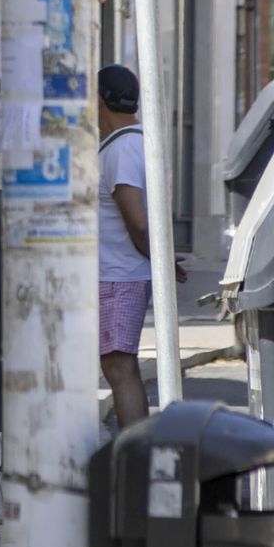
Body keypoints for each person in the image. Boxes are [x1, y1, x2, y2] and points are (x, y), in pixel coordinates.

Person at [97, 64, 183, 429]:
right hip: (118, 273)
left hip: (120, 276)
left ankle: (135, 457)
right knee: (116, 364)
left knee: (120, 366)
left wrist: (163, 263)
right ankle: (133, 455)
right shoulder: (133, 143)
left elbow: (137, 221)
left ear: (98, 101)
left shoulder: (124, 148)